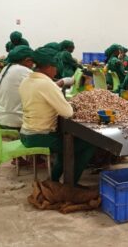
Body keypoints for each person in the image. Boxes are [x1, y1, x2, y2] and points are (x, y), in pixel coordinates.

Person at [19, 46, 95, 185]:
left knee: (65, 143)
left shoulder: (26, 80)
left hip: (25, 133)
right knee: (88, 142)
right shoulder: (46, 85)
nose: (56, 70)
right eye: (55, 67)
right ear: (48, 66)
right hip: (39, 136)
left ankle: (53, 179)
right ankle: (71, 185)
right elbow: (68, 112)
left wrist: (59, 86)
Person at [0, 45, 35, 130]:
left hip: (1, 119)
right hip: (15, 122)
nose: (33, 65)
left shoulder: (6, 68)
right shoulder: (24, 71)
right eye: (33, 62)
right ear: (27, 60)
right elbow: (44, 88)